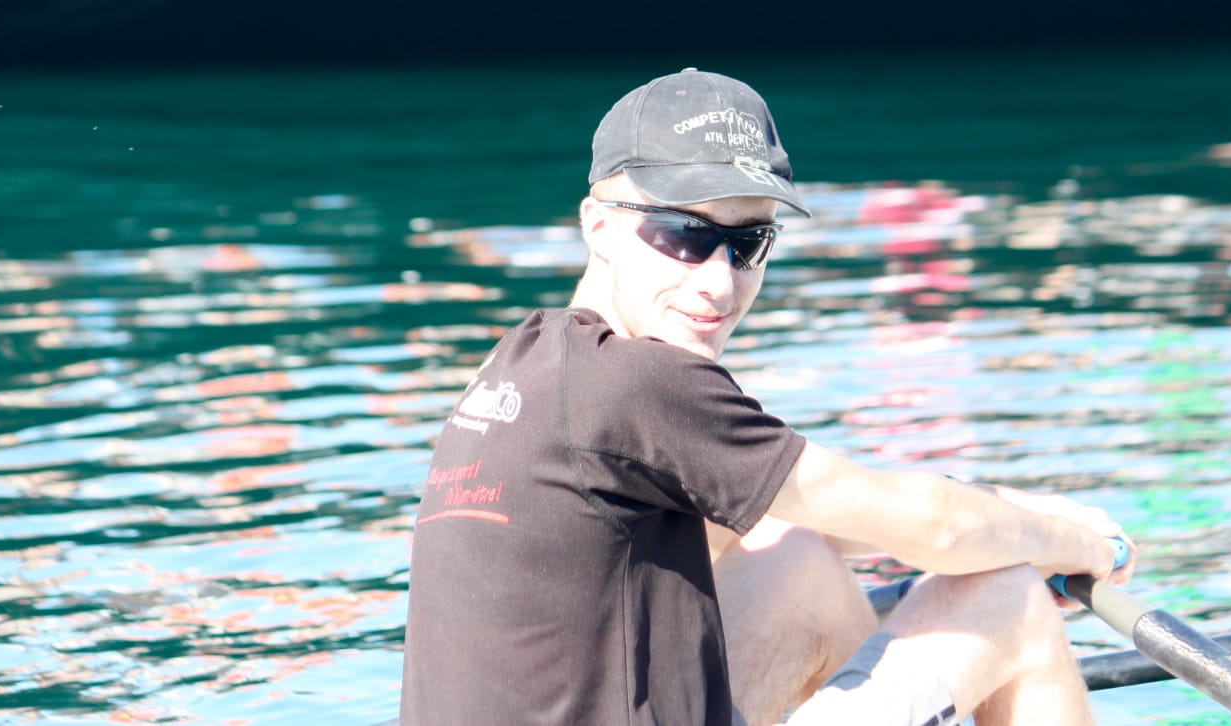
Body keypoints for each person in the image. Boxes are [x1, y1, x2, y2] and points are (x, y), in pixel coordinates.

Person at [397, 67, 1134, 726]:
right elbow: (934, 529)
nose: (720, 282)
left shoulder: (521, 362)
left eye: (748, 242)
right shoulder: (645, 383)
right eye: (684, 235)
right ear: (599, 226)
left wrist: (1012, 513)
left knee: (796, 557)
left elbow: (820, 513)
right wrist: (1082, 546)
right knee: (1009, 596)